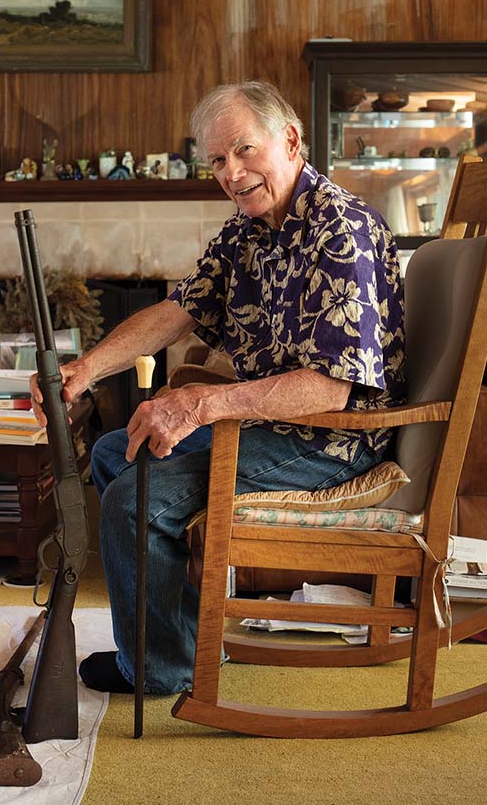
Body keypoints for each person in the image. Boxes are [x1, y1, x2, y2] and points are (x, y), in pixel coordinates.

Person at [30, 81, 405, 696]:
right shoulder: (247, 230)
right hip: (270, 426)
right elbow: (178, 311)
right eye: (217, 161)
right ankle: (177, 636)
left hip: (331, 441)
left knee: (133, 500)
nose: (232, 173)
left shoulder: (341, 230)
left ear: (290, 140)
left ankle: (162, 669)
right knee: (111, 452)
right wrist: (88, 369)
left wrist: (201, 403)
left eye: (244, 151)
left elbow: (333, 390)